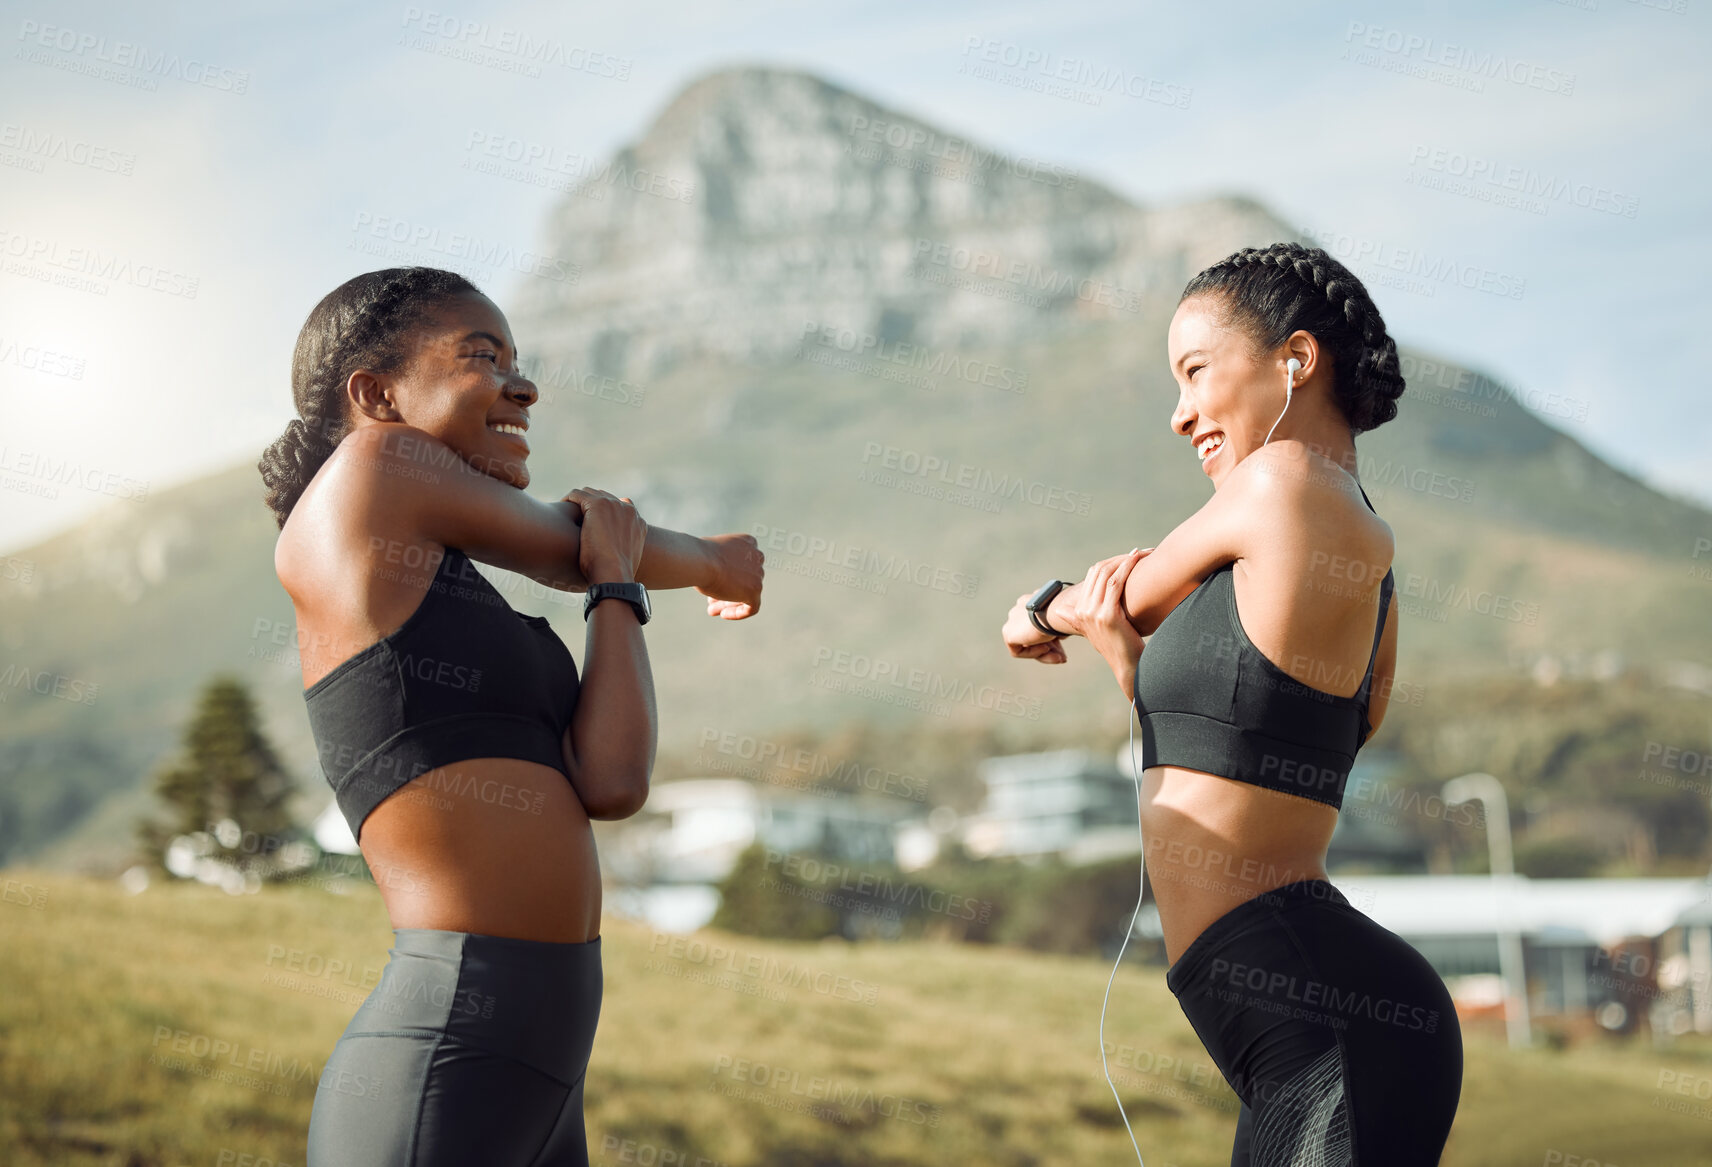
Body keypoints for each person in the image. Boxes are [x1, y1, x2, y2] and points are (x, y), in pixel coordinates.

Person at [257, 266, 765, 1166]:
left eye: (518, 359)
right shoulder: (372, 469)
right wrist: (713, 562)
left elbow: (613, 782)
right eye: (482, 357)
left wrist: (620, 584)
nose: (523, 385)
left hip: (540, 1082)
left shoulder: (452, 600)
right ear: (376, 396)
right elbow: (566, 549)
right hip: (443, 1051)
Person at [1002, 242, 1461, 1165]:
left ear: (1296, 360)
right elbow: (1258, 745)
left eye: (1194, 372)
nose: (1179, 415)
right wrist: (1142, 676)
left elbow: (1105, 599)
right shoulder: (1373, 569)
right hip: (1316, 1024)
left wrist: (1040, 608)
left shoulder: (1278, 479)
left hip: (1326, 1024)